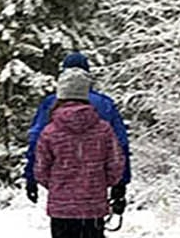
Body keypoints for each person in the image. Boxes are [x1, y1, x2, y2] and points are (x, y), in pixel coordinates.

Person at [32, 66, 125, 238]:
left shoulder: (50, 131)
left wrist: (55, 185)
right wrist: (103, 184)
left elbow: (41, 168)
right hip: (94, 206)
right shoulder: (104, 130)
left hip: (61, 208)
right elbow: (116, 165)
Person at [24, 51, 129, 216]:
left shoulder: (51, 105)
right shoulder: (105, 104)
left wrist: (32, 177)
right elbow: (120, 147)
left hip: (61, 200)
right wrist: (119, 185)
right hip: (95, 198)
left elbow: (37, 145)